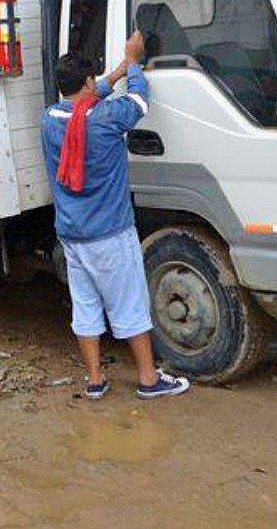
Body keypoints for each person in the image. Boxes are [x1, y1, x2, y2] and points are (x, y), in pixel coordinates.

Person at [41, 31, 190, 400]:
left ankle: (95, 381)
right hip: (109, 233)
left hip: (72, 235)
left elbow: (87, 103)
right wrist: (134, 61)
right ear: (87, 82)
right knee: (130, 305)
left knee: (87, 307)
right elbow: (139, 100)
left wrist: (116, 71)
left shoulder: (50, 119)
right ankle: (148, 380)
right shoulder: (108, 117)